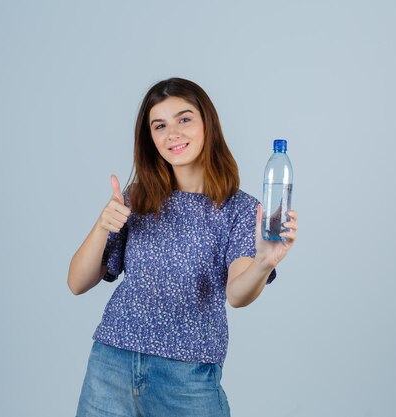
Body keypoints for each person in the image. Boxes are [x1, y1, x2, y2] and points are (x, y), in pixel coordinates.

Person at [68, 77, 297, 417]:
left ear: (208, 125)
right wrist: (103, 225)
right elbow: (77, 283)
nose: (172, 133)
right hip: (111, 363)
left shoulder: (240, 210)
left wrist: (263, 262)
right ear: (151, 139)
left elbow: (237, 295)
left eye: (184, 119)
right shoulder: (136, 198)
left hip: (187, 376)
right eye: (159, 125)